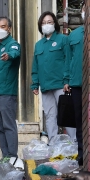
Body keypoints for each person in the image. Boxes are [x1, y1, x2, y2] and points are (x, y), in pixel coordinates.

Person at [30, 11, 76, 142]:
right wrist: (35, 83)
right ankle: (54, 145)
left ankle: (74, 144)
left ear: (55, 24)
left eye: (49, 22)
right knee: (50, 115)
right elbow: (35, 66)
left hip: (61, 84)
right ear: (40, 26)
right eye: (44, 23)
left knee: (66, 114)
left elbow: (68, 61)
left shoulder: (63, 39)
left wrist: (67, 80)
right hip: (45, 86)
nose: (46, 25)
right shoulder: (39, 45)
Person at [0, 17, 21, 164]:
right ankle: (5, 156)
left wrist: (9, 56)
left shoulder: (12, 45)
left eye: (3, 26)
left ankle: (12, 155)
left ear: (9, 29)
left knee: (8, 125)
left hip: (6, 93)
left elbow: (14, 54)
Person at [63, 2, 85, 166]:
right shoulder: (75, 35)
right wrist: (67, 80)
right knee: (79, 120)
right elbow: (68, 60)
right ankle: (82, 154)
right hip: (77, 83)